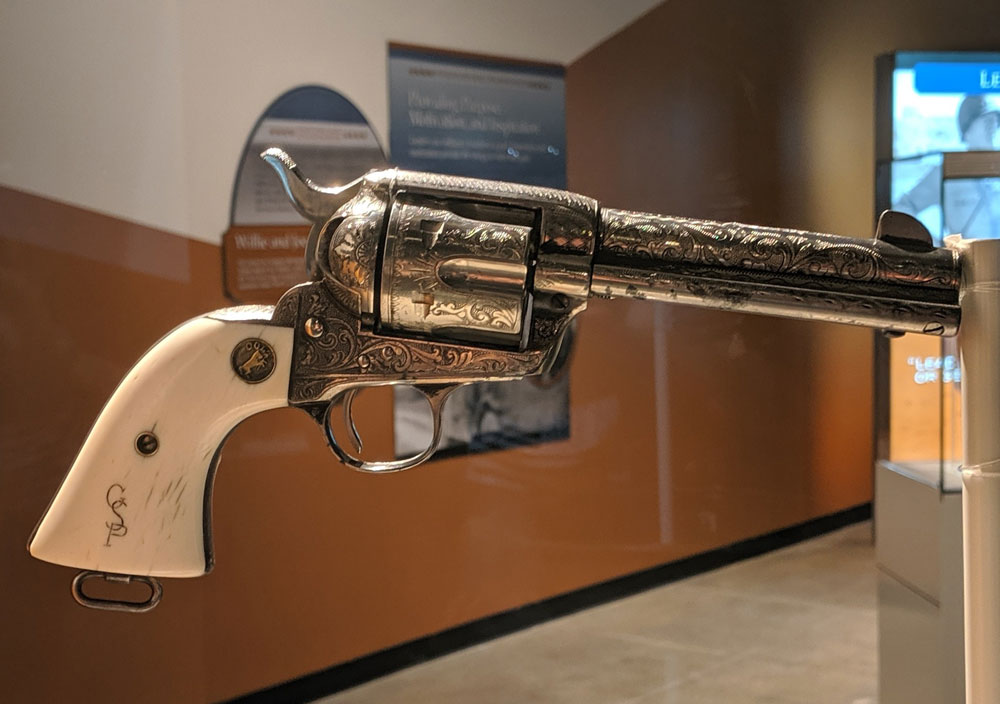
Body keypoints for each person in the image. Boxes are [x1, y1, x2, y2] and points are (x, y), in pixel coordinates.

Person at [893, 95, 999, 227]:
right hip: (961, 248)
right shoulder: (947, 171)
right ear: (967, 131)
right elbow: (902, 207)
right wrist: (931, 242)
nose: (994, 128)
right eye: (987, 122)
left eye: (995, 122)